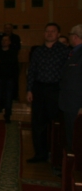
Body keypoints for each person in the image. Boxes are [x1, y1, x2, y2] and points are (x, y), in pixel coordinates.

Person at [26, 22, 70, 163]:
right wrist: (29, 89)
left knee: (57, 124)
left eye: (53, 31)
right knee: (38, 124)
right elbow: (31, 71)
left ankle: (57, 156)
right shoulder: (38, 51)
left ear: (58, 34)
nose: (49, 33)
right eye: (47, 31)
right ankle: (40, 154)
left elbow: (68, 74)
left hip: (56, 90)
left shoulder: (65, 51)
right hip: (39, 89)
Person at [59, 24, 82, 152]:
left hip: (76, 105)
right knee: (70, 136)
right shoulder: (73, 52)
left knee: (75, 138)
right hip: (69, 103)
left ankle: (74, 167)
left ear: (75, 37)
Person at [0, 35, 19, 123]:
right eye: (3, 40)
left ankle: (7, 115)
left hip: (9, 78)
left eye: (6, 40)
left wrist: (0, 62)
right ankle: (1, 105)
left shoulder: (12, 52)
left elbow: (12, 63)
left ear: (9, 42)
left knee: (8, 96)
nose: (4, 41)